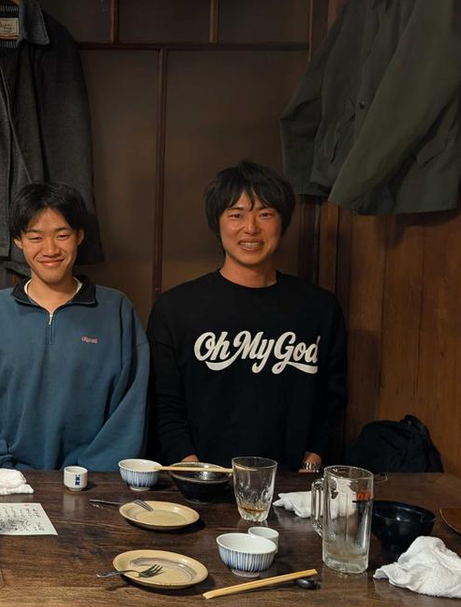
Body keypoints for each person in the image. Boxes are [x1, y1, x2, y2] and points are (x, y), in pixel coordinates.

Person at [148, 161, 347, 473]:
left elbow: (332, 397)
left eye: (265, 214)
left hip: (293, 483)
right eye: (236, 214)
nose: (251, 228)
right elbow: (165, 404)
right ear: (217, 223)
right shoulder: (175, 309)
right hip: (203, 481)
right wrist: (194, 470)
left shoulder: (320, 307)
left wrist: (312, 460)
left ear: (283, 221)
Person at [0, 183, 148, 470]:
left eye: (62, 235)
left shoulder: (116, 310)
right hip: (3, 483)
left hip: (94, 485)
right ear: (18, 240)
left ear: (80, 236)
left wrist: (95, 478)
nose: (50, 249)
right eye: (35, 237)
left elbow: (132, 405)